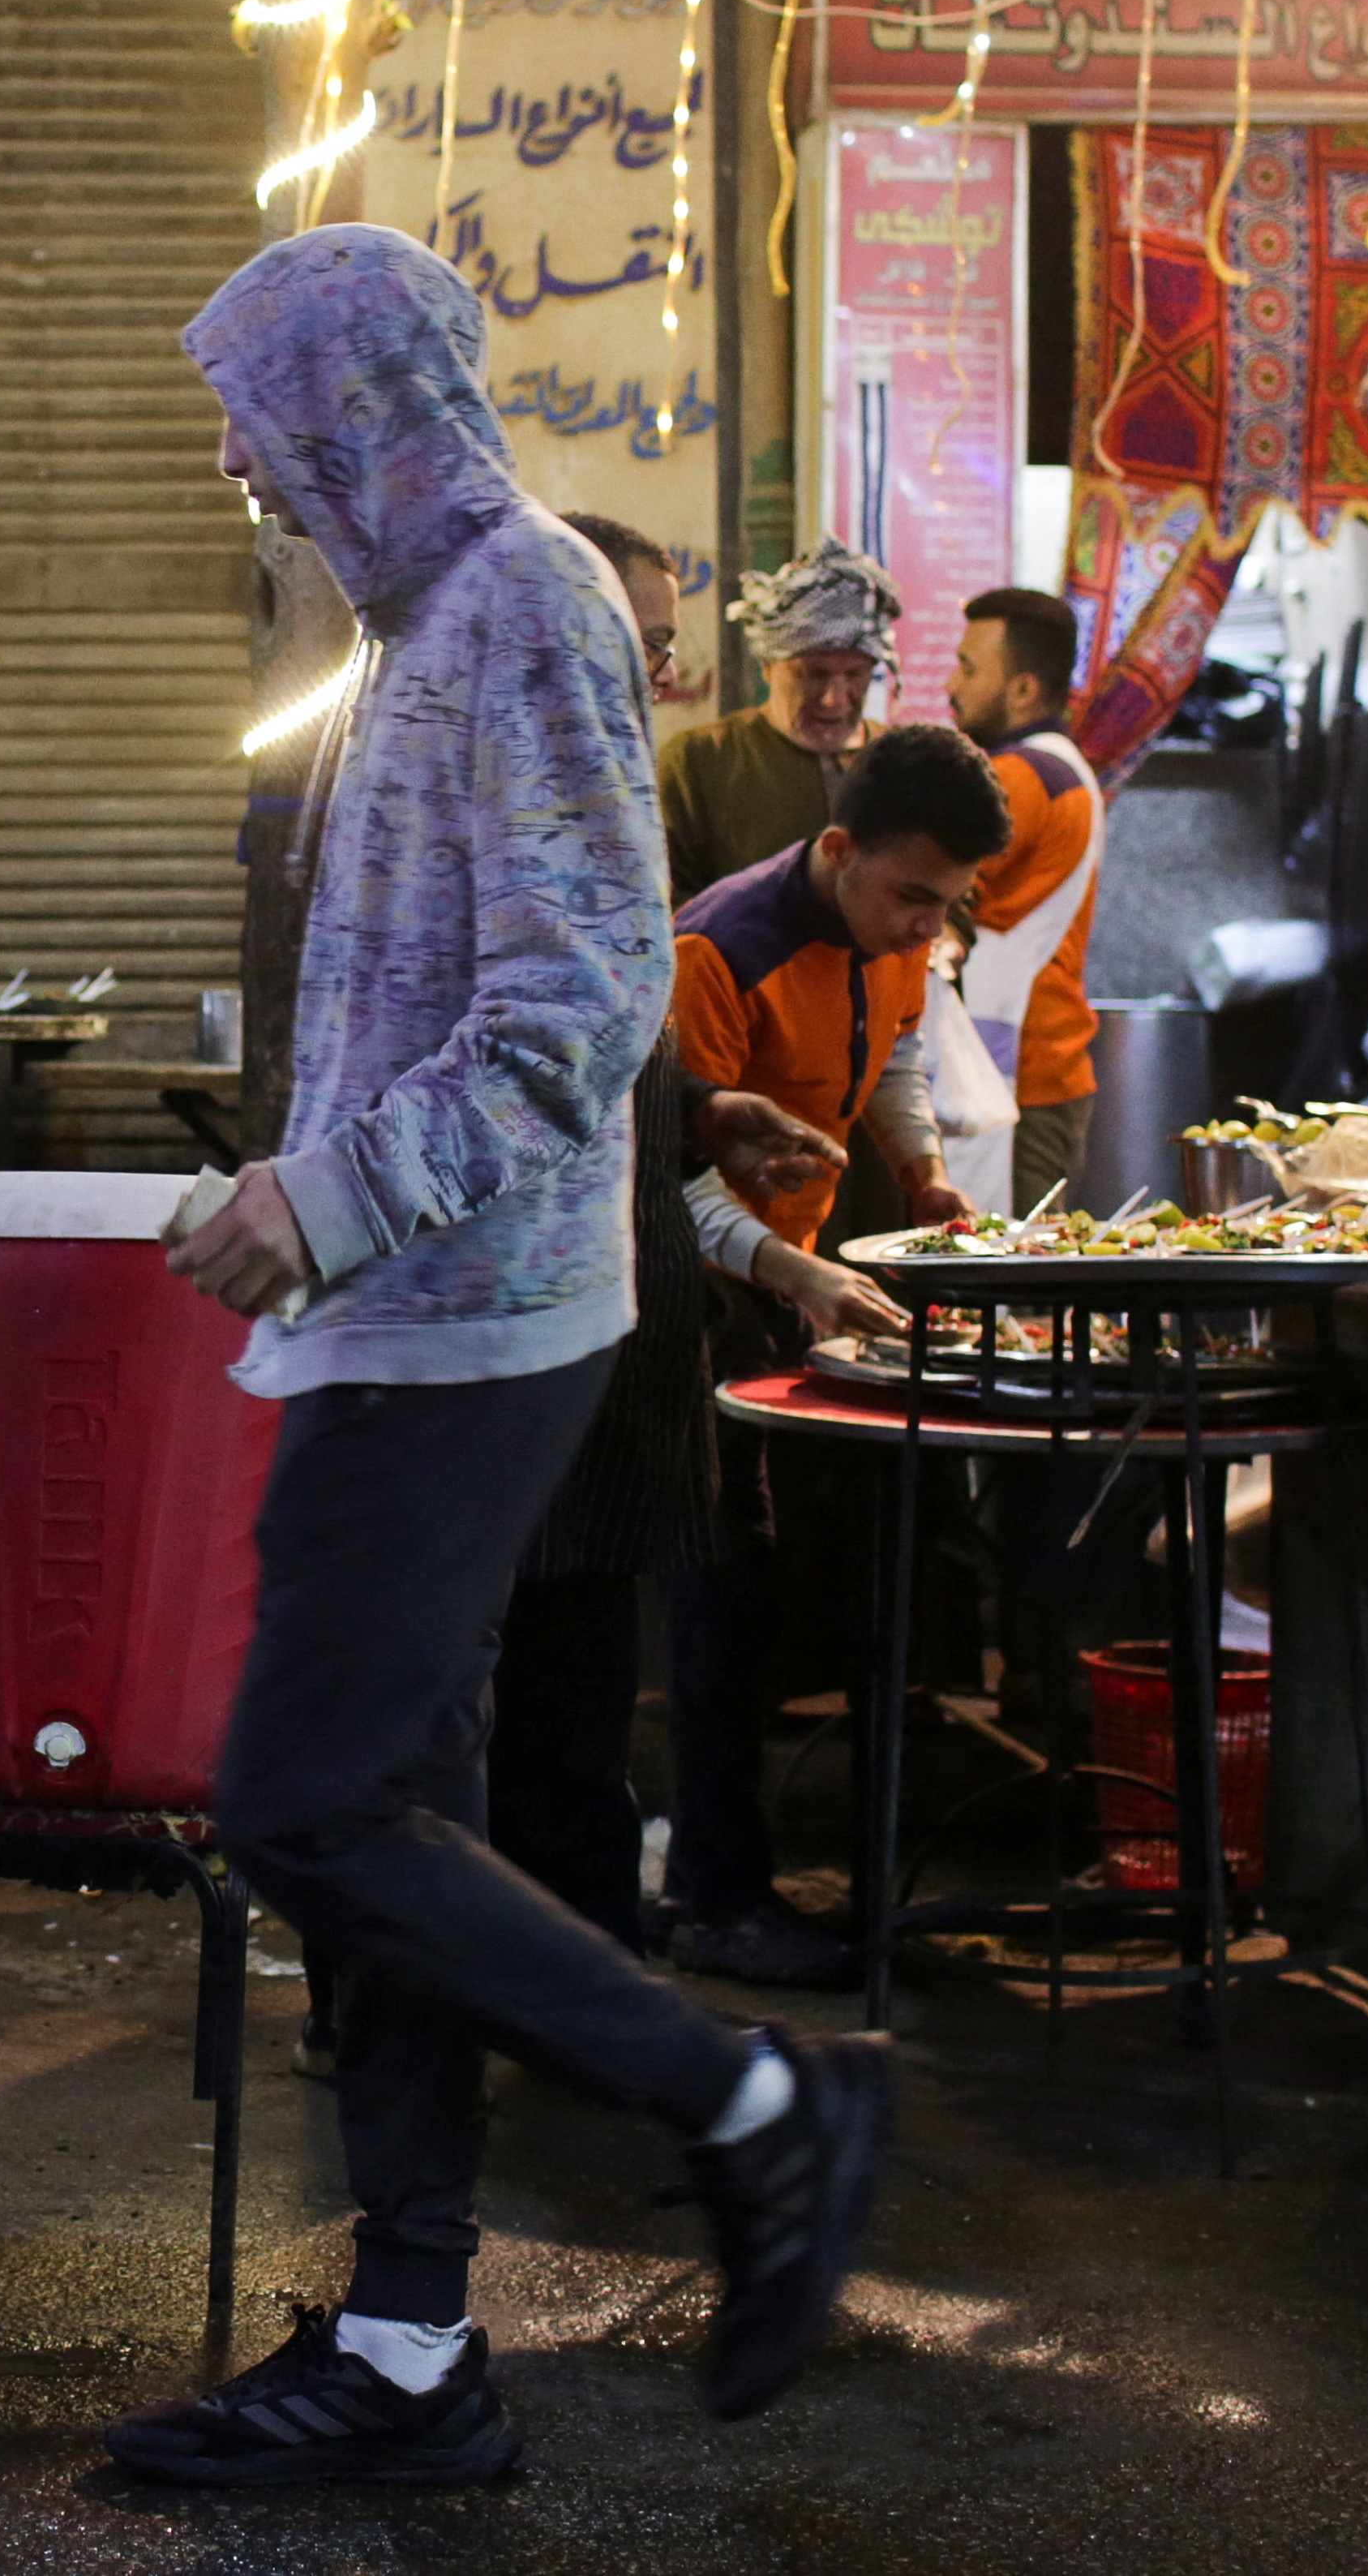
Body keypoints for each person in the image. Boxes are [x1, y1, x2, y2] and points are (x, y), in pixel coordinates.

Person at [113, 224, 890, 2489]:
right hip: (394, 1313)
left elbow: (577, 1007)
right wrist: (285, 1190)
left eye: (253, 407)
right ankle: (407, 2340)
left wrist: (328, 1197)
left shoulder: (522, 600)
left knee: (304, 1799)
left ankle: (760, 2102)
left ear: (353, 395)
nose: (237, 460)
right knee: (393, 1823)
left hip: (461, 1326)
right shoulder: (414, 631)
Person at [491, 511, 845, 1954]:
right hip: (521, 1320)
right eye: (629, 646)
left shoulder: (609, 794)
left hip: (619, 1318)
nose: (649, 678)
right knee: (518, 1690)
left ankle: (578, 1969)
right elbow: (498, 1060)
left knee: (580, 1680)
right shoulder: (500, 798)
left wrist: (699, 1108)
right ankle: (522, 1993)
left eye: (658, 652)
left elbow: (603, 1046)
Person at [651, 724, 1014, 1986]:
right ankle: (710, 1894)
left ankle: (752, 1873)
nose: (927, 926)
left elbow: (902, 1044)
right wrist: (796, 1273)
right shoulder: (718, 948)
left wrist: (918, 1167)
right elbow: (668, 1172)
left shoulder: (898, 934)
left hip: (787, 1284)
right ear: (841, 846)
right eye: (912, 895)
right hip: (680, 1305)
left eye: (949, 906)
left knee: (803, 1584)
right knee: (719, 1595)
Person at [944, 586, 1105, 1217]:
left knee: (1008, 1285)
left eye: (970, 667)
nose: (952, 683)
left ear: (1024, 691)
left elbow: (946, 883)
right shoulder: (1062, 767)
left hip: (1020, 1075)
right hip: (1041, 1068)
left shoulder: (1021, 778)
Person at [656, 544, 901, 903]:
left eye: (854, 674)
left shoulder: (904, 763)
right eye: (813, 675)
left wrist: (948, 940)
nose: (835, 698)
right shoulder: (699, 760)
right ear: (768, 668)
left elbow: (947, 888)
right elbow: (668, 900)